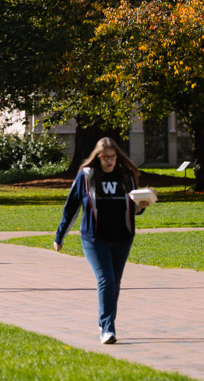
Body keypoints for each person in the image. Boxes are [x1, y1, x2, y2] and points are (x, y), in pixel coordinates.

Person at [53, 137, 153, 344]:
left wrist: (141, 206)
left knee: (114, 282)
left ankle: (104, 320)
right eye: (105, 157)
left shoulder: (126, 176)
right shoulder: (86, 176)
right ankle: (108, 329)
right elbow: (71, 207)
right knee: (106, 279)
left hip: (122, 237)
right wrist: (60, 235)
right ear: (98, 157)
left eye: (113, 157)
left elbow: (132, 208)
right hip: (94, 238)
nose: (109, 161)